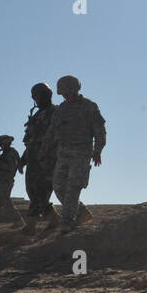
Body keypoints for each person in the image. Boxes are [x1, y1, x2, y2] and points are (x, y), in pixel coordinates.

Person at [39, 75, 106, 231]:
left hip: (82, 152)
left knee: (73, 187)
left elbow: (100, 130)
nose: (65, 97)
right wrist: (44, 148)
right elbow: (51, 131)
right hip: (63, 153)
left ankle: (67, 221)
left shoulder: (89, 106)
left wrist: (98, 150)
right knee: (58, 187)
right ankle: (82, 213)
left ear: (76, 90)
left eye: (68, 93)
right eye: (63, 94)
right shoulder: (61, 109)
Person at [22, 82, 58, 226]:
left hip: (47, 158)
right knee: (31, 190)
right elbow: (31, 140)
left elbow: (57, 135)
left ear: (47, 95)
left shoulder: (56, 112)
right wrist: (23, 159)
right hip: (33, 159)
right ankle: (31, 225)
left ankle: (53, 221)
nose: (36, 99)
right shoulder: (36, 116)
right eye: (35, 97)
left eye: (39, 96)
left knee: (42, 190)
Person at [0, 135, 27, 230]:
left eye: (1, 143)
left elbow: (11, 168)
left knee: (6, 203)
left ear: (7, 143)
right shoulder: (4, 153)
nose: (0, 145)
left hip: (6, 182)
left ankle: (19, 222)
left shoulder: (11, 153)